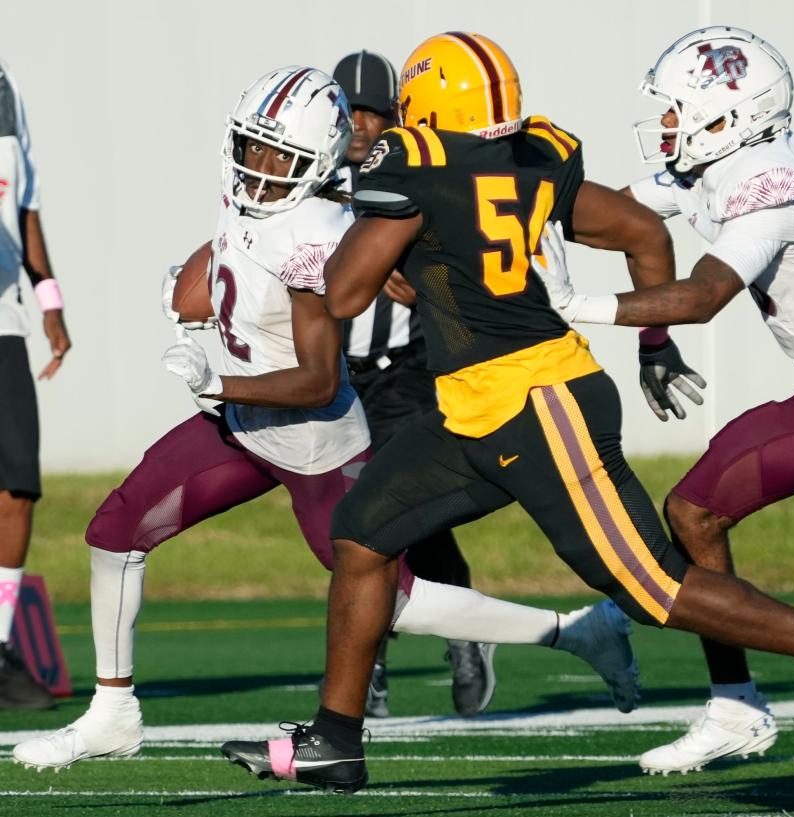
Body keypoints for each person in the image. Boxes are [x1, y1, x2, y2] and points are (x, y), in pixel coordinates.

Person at [219, 32, 794, 796]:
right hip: (472, 409)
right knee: (362, 533)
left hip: (537, 404)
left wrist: (346, 215)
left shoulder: (418, 171)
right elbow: (640, 230)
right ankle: (336, 739)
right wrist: (654, 345)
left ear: (428, 106)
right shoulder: (530, 156)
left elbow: (341, 294)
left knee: (654, 589)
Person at [12, 65, 641, 772]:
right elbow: (230, 238)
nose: (258, 166)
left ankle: (576, 631)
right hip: (245, 422)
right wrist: (191, 285)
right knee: (116, 528)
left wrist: (219, 376)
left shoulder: (318, 234)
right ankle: (112, 711)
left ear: (312, 164)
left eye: (276, 156)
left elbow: (315, 382)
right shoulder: (257, 193)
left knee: (387, 598)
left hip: (313, 441)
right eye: (250, 147)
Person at [530, 26, 794, 775]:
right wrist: (506, 206)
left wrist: (575, 304)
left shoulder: (773, 180)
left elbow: (699, 297)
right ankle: (736, 705)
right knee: (694, 511)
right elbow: (617, 213)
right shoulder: (716, 164)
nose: (665, 124)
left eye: (677, 109)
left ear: (731, 116)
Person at [331, 50, 492, 719]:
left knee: (396, 515)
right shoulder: (311, 177)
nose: (364, 124)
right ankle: (373, 658)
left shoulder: (413, 169)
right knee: (344, 523)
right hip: (337, 379)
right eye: (353, 110)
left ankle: (459, 627)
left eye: (377, 111)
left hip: (405, 373)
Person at [0, 57, 72, 710]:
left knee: (19, 485)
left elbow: (25, 207)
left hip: (5, 320)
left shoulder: (7, 90)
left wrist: (49, 300)